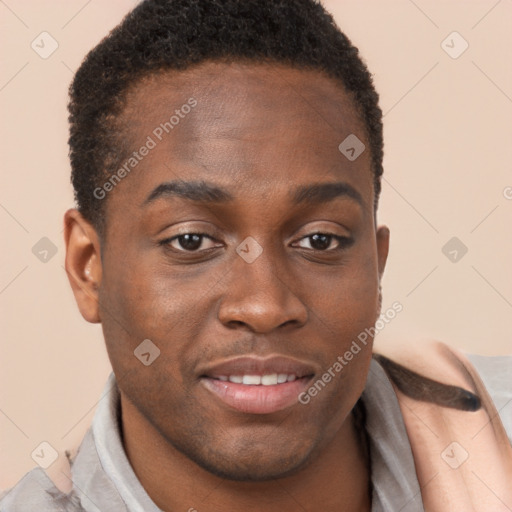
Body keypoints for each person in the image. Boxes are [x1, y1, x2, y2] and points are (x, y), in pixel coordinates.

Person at [1, 0, 511, 510]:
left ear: (376, 267)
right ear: (88, 267)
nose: (264, 306)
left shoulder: (497, 440)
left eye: (319, 240)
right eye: (191, 241)